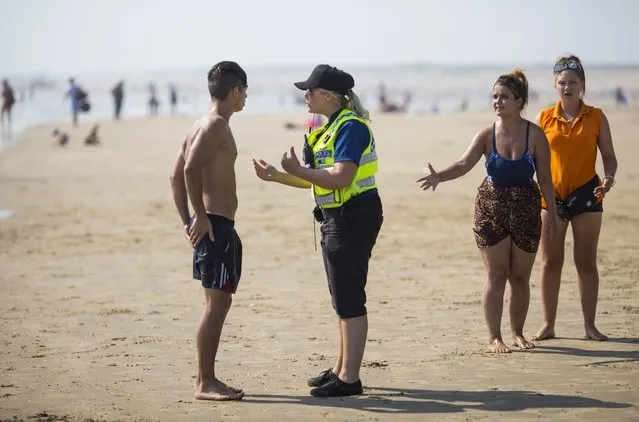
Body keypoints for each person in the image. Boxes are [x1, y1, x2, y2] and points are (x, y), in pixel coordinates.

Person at [253, 64, 383, 397]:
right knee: (340, 296)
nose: (305, 97)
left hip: (353, 215)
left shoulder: (350, 128)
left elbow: (340, 177)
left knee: (350, 297)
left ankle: (350, 379)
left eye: (309, 92)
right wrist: (279, 176)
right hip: (335, 216)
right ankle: (342, 369)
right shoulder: (327, 128)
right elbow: (316, 178)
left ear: (328, 96)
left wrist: (298, 169)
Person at [417, 69, 558, 353]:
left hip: (527, 209)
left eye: (504, 97)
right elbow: (462, 164)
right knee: (497, 274)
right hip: (491, 208)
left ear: (519, 101)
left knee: (520, 277)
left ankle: (517, 333)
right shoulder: (486, 135)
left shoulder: (535, 134)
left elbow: (544, 178)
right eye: (494, 96)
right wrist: (438, 177)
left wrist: (551, 214)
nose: (497, 101)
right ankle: (495, 336)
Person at [169, 61, 248, 401]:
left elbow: (175, 175)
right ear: (235, 91)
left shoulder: (199, 125)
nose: (246, 98)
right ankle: (206, 383)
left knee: (215, 304)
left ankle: (208, 379)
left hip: (213, 224)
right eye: (245, 91)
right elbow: (188, 169)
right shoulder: (216, 125)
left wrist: (188, 220)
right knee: (217, 305)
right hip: (216, 225)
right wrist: (198, 218)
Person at [531, 55, 618, 342]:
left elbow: (608, 157)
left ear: (582, 85)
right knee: (550, 262)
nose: (567, 87)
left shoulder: (596, 116)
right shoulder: (544, 118)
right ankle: (548, 325)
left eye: (573, 82)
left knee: (586, 263)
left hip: (588, 195)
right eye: (562, 82)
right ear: (555, 86)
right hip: (551, 197)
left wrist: (607, 179)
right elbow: (529, 157)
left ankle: (590, 327)